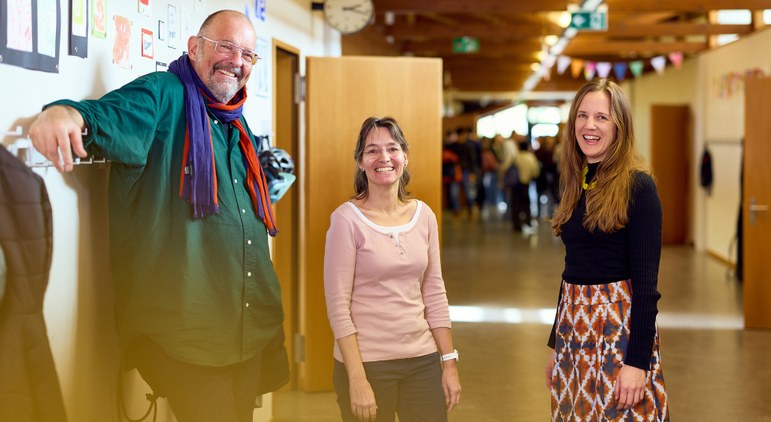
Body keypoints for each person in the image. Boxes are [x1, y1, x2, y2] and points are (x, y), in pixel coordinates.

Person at [28, 10, 286, 422]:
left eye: (247, 54)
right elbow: (105, 116)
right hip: (191, 333)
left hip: (248, 323)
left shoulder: (234, 121)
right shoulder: (164, 94)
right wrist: (64, 112)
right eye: (226, 46)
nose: (236, 60)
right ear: (194, 47)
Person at [544, 78, 669, 421]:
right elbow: (572, 268)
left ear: (620, 126)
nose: (589, 125)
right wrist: (556, 343)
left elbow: (646, 286)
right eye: (582, 116)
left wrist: (637, 363)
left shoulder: (639, 186)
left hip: (616, 332)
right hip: (574, 330)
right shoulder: (578, 180)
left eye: (601, 117)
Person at [324, 117, 461, 422]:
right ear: (361, 162)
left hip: (422, 360)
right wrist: (356, 380)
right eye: (372, 151)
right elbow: (338, 308)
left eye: (392, 148)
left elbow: (434, 293)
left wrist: (448, 363)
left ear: (404, 157)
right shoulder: (346, 221)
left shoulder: (424, 215)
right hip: (369, 364)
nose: (384, 158)